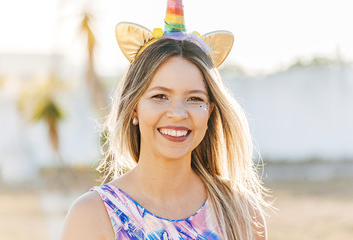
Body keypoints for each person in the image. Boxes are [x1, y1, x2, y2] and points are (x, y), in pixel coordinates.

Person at [61, 1, 270, 239]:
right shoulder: (92, 216)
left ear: (209, 112)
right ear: (134, 108)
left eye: (194, 98)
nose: (178, 113)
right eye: (160, 96)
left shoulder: (241, 212)